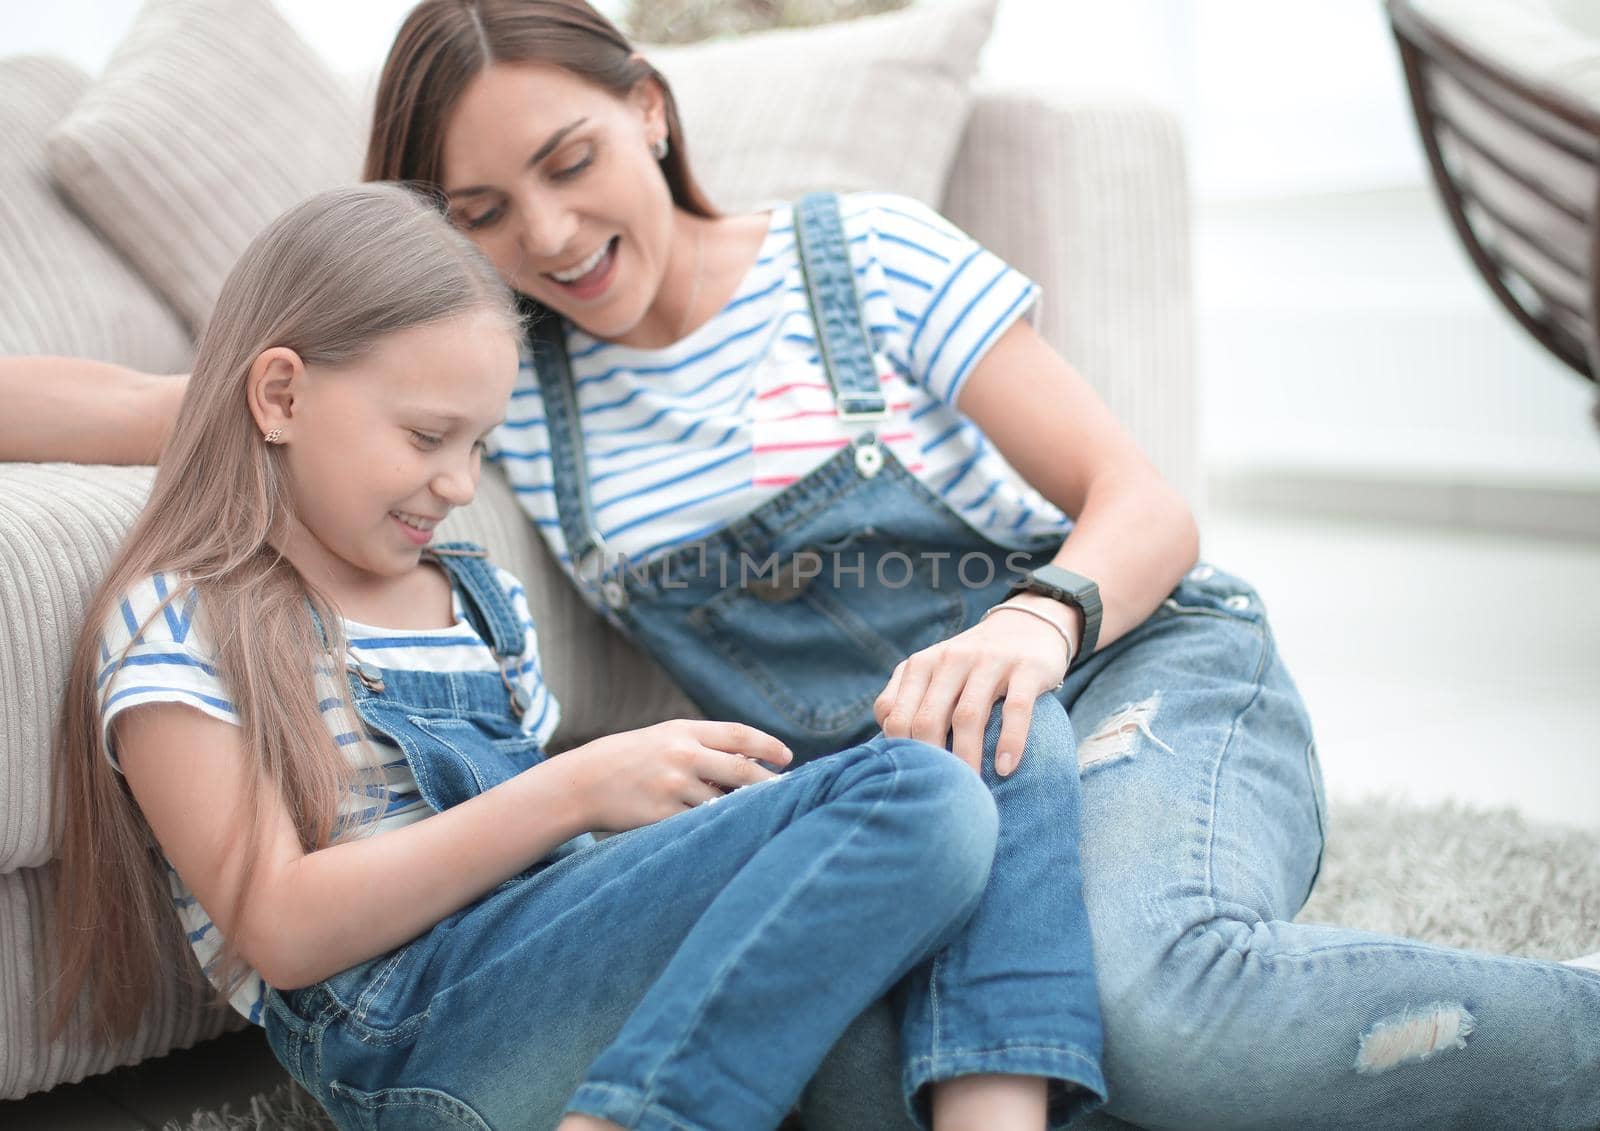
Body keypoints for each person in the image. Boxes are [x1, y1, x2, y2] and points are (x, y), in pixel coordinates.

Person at [7, 0, 1596, 1126]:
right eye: (483, 213)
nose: (550, 238)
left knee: (1152, 1009)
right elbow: (225, 397)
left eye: (569, 160)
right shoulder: (503, 402)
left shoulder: (861, 254)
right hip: (926, 777)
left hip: (1130, 669)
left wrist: (1035, 625)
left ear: (648, 104)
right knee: (965, 1029)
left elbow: (1145, 504)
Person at [45, 183, 1108, 1131]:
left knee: (984, 761)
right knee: (914, 792)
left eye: (477, 445)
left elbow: (571, 905)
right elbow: (278, 928)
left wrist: (689, 831)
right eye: (426, 438)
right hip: (416, 1040)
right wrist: (578, 788)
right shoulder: (181, 621)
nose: (459, 484)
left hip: (566, 991)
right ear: (279, 396)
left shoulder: (473, 597)